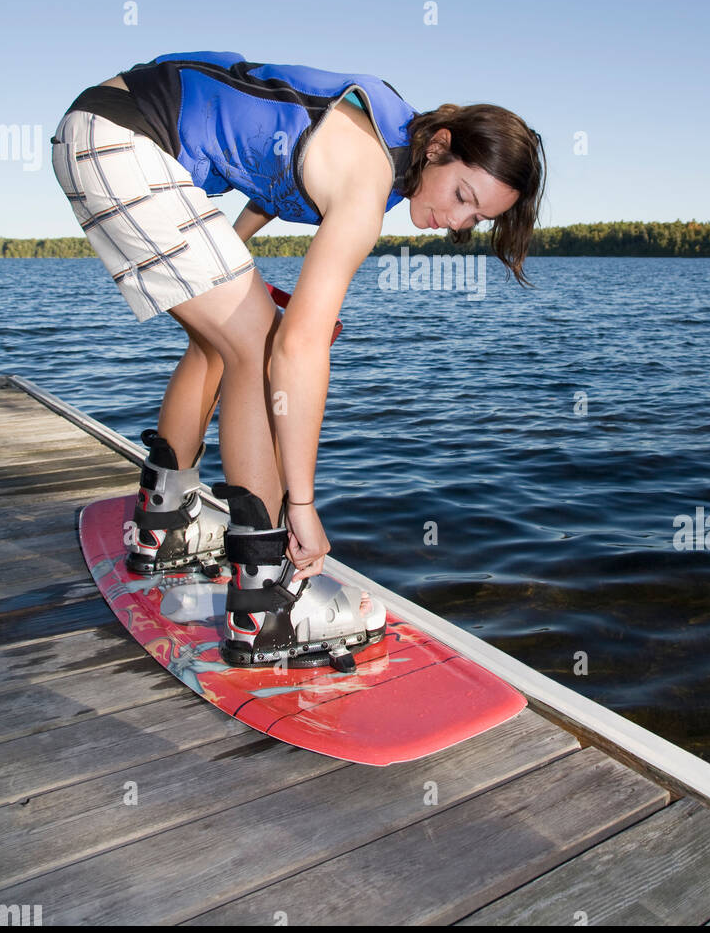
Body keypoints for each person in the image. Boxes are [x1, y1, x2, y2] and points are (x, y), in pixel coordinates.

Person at [51, 51, 546, 671]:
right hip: (122, 143)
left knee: (224, 335)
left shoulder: (381, 140)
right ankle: (263, 600)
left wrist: (229, 263)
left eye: (477, 218)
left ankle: (166, 517)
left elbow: (270, 172)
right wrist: (304, 508)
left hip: (102, 133)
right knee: (257, 344)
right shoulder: (369, 177)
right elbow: (297, 348)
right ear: (440, 146)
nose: (455, 221)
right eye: (462, 195)